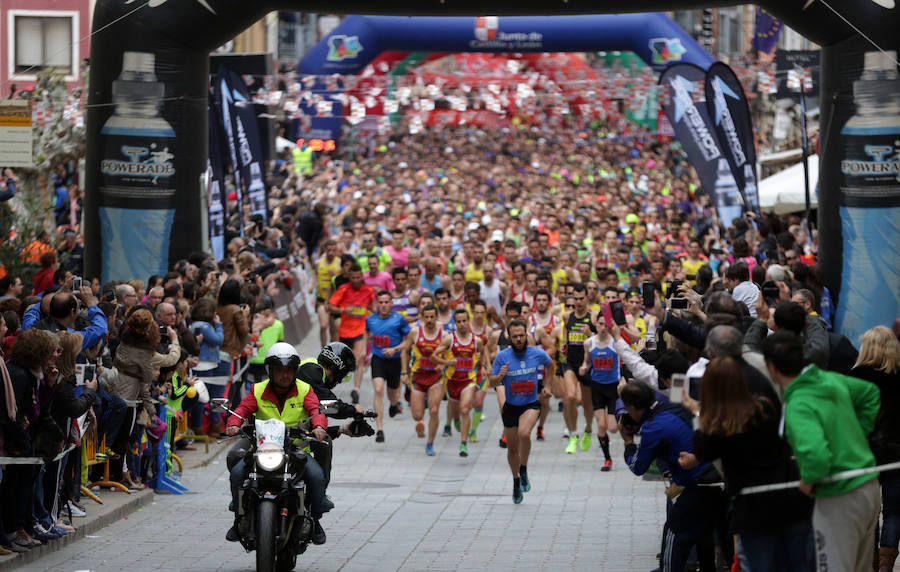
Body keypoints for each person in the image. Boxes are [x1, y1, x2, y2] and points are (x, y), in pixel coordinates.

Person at [678, 357, 814, 572]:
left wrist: (697, 412)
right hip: (791, 498)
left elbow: (702, 449)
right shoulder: (765, 407)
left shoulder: (716, 427)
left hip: (753, 508)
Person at [763, 330, 881, 572]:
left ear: (771, 368)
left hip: (839, 495)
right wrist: (855, 434)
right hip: (868, 486)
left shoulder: (798, 404)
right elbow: (871, 393)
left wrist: (808, 479)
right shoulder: (830, 379)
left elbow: (816, 459)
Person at [619, 381, 729, 572]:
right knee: (705, 534)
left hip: (698, 484)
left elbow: (638, 467)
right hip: (719, 482)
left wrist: (628, 443)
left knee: (673, 531)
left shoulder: (654, 428)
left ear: (632, 408)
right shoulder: (672, 406)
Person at [225, 343, 329, 545]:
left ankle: (315, 520)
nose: (284, 375)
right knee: (237, 473)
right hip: (263, 449)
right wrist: (233, 424)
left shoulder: (305, 389)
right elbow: (241, 410)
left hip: (295, 450)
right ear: (270, 371)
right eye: (279, 370)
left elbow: (316, 412)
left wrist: (319, 427)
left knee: (316, 477)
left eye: (289, 370)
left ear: (295, 371)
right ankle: (240, 518)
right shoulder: (257, 390)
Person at [849, 326, 900, 572]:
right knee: (894, 510)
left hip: (864, 451)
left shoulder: (855, 377)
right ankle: (886, 561)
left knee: (869, 510)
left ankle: (870, 560)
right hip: (897, 452)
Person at [489, 319, 554, 503]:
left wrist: (548, 386)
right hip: (511, 407)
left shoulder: (537, 354)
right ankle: (516, 481)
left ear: (527, 335)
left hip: (530, 404)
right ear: (509, 337)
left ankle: (523, 468)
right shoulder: (503, 356)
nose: (519, 339)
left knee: (525, 434)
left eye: (521, 335)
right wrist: (499, 377)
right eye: (515, 336)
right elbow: (491, 382)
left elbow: (551, 365)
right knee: (512, 448)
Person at [431, 308, 483, 457]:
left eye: (464, 321)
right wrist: (447, 362)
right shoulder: (450, 339)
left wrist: (485, 366)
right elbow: (434, 357)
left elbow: (483, 352)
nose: (462, 324)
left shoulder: (476, 340)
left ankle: (463, 444)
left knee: (465, 409)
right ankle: (455, 420)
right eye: (458, 321)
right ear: (455, 323)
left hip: (469, 380)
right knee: (456, 413)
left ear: (469, 321)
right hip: (452, 381)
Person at [365, 290, 411, 443]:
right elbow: (366, 334)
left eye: (386, 302)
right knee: (378, 389)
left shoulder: (399, 320)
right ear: (376, 304)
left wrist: (395, 349)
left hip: (394, 361)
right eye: (381, 302)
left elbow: (407, 341)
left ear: (391, 303)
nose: (384, 305)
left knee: (392, 394)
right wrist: (363, 353)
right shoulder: (370, 319)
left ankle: (393, 404)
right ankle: (379, 429)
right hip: (378, 359)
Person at [327, 264, 375, 404]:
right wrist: (343, 310)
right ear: (350, 277)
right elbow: (330, 307)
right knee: (338, 363)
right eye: (353, 277)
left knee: (360, 358)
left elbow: (373, 306)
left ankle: (356, 389)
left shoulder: (368, 290)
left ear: (362, 277)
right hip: (345, 331)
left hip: (360, 330)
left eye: (358, 277)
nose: (356, 280)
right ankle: (327, 389)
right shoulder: (343, 289)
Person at [579, 318, 620, 471]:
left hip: (612, 388)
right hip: (596, 387)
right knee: (601, 426)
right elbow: (587, 362)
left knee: (613, 428)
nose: (603, 327)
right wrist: (584, 367)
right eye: (600, 324)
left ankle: (607, 439)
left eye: (606, 324)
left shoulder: (615, 342)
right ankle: (607, 459)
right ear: (595, 325)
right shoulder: (589, 343)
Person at [562, 283, 598, 454]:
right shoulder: (567, 316)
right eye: (575, 299)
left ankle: (589, 428)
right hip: (570, 363)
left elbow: (601, 339)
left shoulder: (593, 316)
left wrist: (590, 334)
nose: (578, 302)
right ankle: (573, 435)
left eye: (581, 298)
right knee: (569, 397)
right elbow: (565, 329)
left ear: (587, 297)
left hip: (587, 365)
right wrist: (563, 342)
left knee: (587, 404)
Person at [404, 304, 444, 455]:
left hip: (435, 378)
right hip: (418, 377)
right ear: (421, 318)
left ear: (436, 317)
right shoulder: (415, 333)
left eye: (432, 317)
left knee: (434, 410)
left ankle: (430, 443)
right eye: (426, 317)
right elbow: (405, 352)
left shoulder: (444, 335)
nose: (429, 320)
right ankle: (423, 405)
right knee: (417, 415)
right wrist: (404, 373)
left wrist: (443, 365)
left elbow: (451, 353)